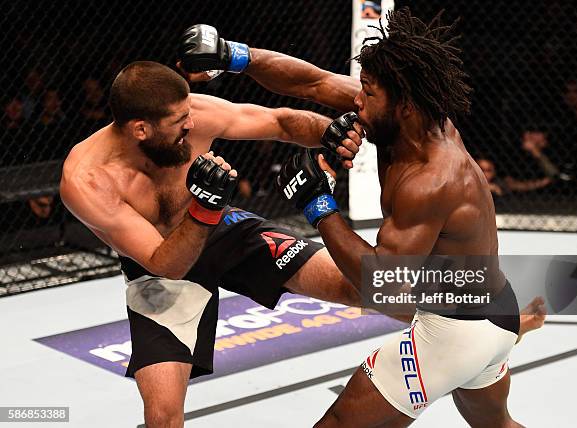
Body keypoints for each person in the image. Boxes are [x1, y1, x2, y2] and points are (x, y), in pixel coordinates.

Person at [179, 8, 544, 427]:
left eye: (368, 92)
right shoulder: (405, 117)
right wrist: (233, 55)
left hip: (455, 332)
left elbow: (379, 283)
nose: (356, 101)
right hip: (493, 311)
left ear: (403, 103)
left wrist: (319, 206)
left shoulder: (431, 179)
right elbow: (312, 82)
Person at [60, 60, 365, 428]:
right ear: (140, 129)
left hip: (224, 229)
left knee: (359, 285)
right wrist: (204, 207)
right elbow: (165, 264)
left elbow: (280, 122)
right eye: (179, 122)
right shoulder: (88, 180)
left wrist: (330, 132)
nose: (191, 125)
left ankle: (448, 297)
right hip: (159, 267)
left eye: (188, 114)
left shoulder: (193, 115)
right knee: (162, 418)